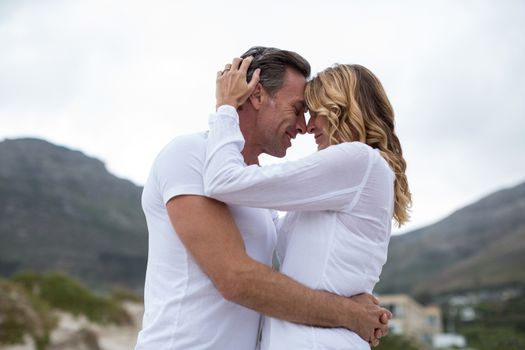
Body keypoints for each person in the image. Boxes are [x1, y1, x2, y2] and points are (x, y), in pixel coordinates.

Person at [135, 47, 390, 350]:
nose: (302, 126)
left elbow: (307, 259)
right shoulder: (189, 154)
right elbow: (236, 279)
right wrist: (350, 313)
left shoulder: (258, 191)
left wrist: (355, 293)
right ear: (257, 96)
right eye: (296, 108)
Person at [203, 61, 411, 349]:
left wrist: (225, 109)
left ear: (342, 109)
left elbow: (223, 181)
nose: (309, 126)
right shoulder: (356, 175)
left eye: (317, 114)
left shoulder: (358, 160)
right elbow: (269, 216)